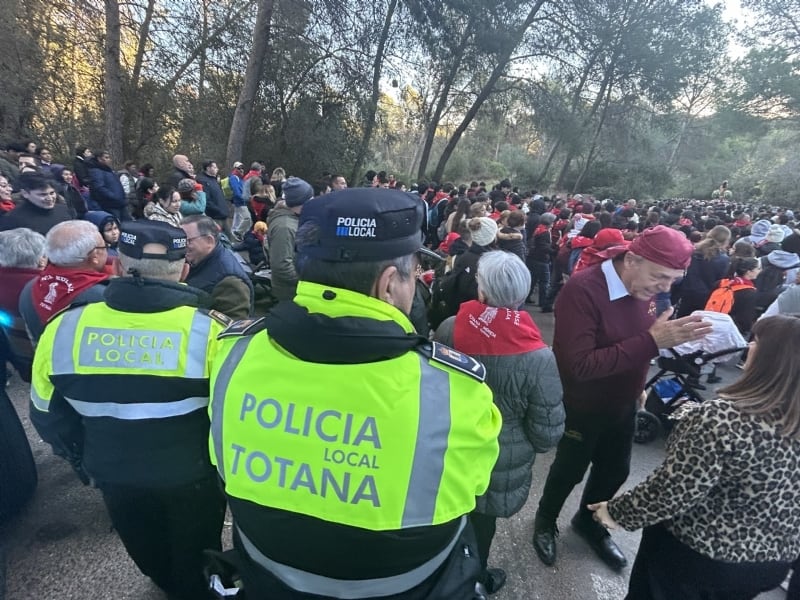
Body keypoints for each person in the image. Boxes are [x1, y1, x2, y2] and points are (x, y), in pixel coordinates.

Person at [207, 187, 501, 600]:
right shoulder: (455, 390)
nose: (415, 283)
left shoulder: (230, 353)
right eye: (414, 273)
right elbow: (473, 487)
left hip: (270, 580)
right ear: (387, 285)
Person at [29, 220, 228, 600]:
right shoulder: (213, 333)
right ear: (184, 269)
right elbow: (229, 417)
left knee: (143, 544)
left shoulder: (63, 328)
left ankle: (165, 583)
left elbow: (45, 414)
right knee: (199, 550)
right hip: (194, 477)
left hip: (112, 471)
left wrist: (82, 458)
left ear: (118, 266)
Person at [532, 225, 713, 570]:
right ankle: (544, 520)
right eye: (660, 277)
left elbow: (639, 340)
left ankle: (589, 523)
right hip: (584, 404)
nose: (664, 288)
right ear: (631, 259)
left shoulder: (643, 289)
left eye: (673, 280)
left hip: (625, 401)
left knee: (615, 470)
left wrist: (639, 383)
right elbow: (578, 366)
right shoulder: (583, 290)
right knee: (568, 469)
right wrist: (652, 342)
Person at [590, 314, 800, 599]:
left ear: (773, 360)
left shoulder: (725, 419)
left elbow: (674, 489)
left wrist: (616, 512)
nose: (750, 346)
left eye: (757, 342)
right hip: (768, 565)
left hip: (697, 557)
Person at [434, 250, 564, 596]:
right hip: (497, 461)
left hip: (448, 447)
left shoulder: (450, 329)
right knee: (481, 525)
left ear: (482, 291)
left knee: (445, 518)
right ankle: (474, 580)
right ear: (522, 294)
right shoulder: (539, 356)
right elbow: (547, 430)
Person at [18, 220, 111, 343]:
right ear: (94, 256)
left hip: (40, 358)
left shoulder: (30, 287)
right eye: (105, 247)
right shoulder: (104, 298)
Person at [181, 214, 254, 319]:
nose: (182, 246)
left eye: (188, 241)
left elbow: (232, 326)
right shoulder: (198, 261)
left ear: (209, 241)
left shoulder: (230, 282)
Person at [267, 176, 314, 301]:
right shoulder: (285, 227)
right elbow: (281, 265)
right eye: (310, 198)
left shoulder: (294, 219)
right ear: (302, 201)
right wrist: (308, 282)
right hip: (290, 291)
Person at [675, 225, 732, 317]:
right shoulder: (723, 259)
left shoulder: (694, 250)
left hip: (687, 291)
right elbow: (720, 280)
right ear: (726, 241)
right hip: (706, 296)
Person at [0, 172, 72, 235]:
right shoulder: (12, 219)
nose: (49, 198)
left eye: (52, 193)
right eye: (42, 195)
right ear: (25, 193)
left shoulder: (63, 210)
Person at [87, 150, 127, 220]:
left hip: (119, 203)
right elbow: (99, 188)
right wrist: (114, 197)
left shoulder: (108, 170)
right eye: (106, 157)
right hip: (110, 205)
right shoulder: (96, 171)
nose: (109, 160)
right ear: (99, 159)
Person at [197, 160, 230, 232]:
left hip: (223, 214)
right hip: (215, 216)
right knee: (217, 237)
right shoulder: (202, 181)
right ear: (208, 168)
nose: (217, 169)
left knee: (228, 238)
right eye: (214, 167)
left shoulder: (214, 180)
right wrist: (218, 210)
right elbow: (207, 200)